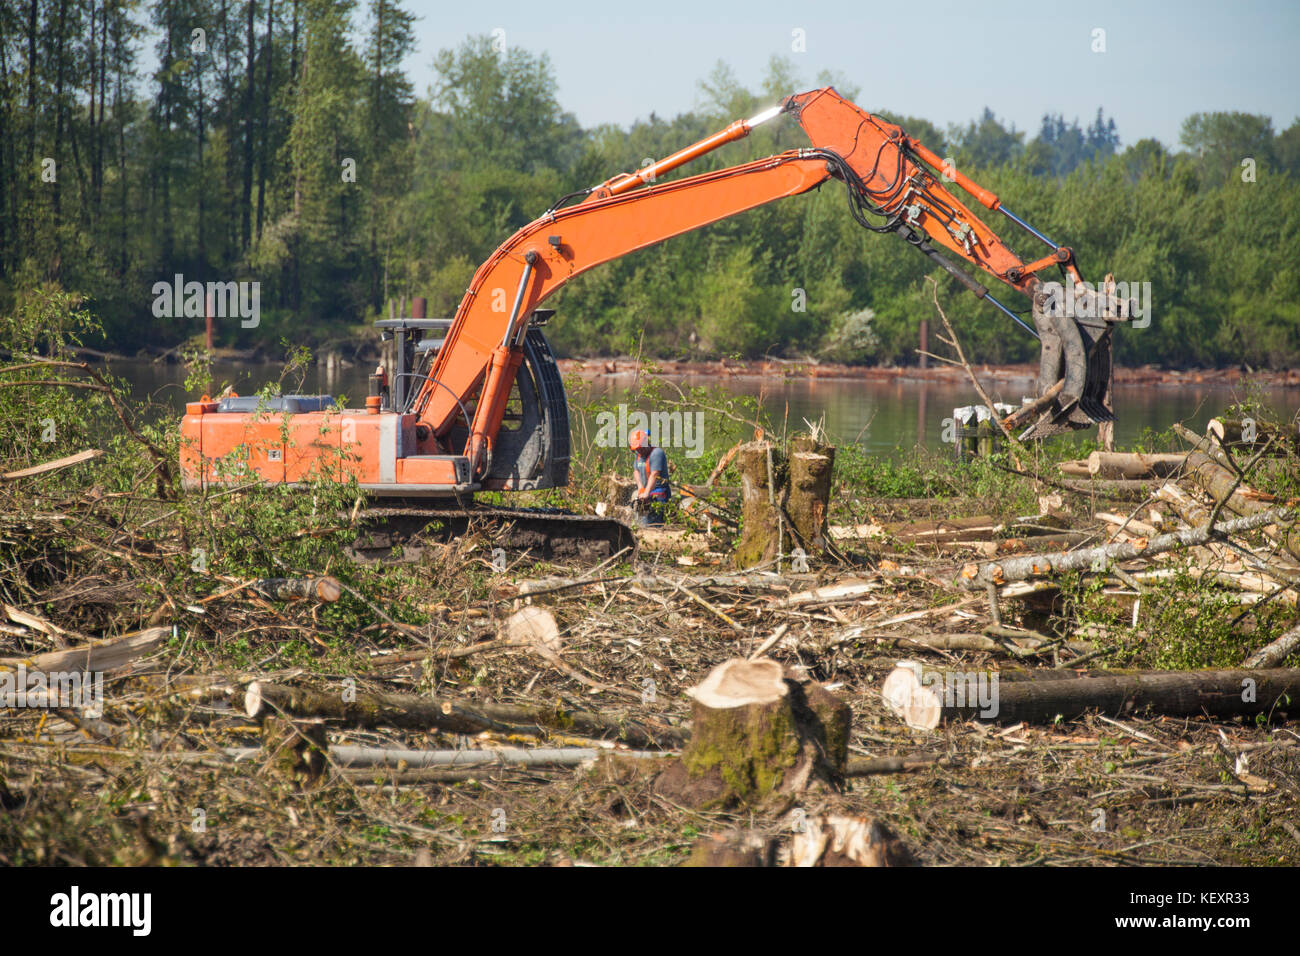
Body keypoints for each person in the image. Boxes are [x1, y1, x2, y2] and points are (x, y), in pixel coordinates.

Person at [628, 429, 670, 525]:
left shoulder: (656, 453)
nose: (639, 450)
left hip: (659, 492)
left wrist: (646, 492)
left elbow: (654, 474)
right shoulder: (639, 454)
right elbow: (636, 471)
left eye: (641, 448)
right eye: (637, 449)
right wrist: (640, 487)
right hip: (646, 491)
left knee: (652, 524)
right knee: (638, 520)